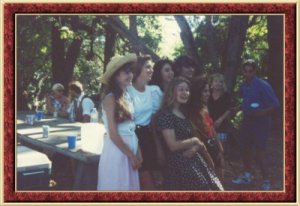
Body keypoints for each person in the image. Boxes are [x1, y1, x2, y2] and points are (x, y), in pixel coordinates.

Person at [156, 77, 223, 190]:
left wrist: (196, 146)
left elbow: (196, 137)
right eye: (181, 89)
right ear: (173, 91)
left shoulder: (184, 112)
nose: (185, 93)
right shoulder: (166, 114)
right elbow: (172, 145)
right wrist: (195, 141)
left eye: (187, 90)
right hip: (179, 163)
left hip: (194, 157)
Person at [232, 59, 280, 190]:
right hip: (248, 121)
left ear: (255, 71)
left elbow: (276, 104)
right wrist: (238, 108)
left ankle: (266, 180)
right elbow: (247, 102)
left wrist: (262, 112)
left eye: (250, 71)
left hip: (261, 122)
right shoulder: (244, 85)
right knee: (244, 147)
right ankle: (247, 175)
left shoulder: (263, 85)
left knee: (259, 152)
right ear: (243, 71)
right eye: (246, 71)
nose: (248, 73)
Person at [97, 53, 142, 191]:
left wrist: (138, 152)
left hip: (131, 148)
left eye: (131, 72)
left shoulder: (127, 96)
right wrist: (130, 154)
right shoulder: (110, 99)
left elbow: (131, 128)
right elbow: (113, 132)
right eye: (125, 72)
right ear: (116, 76)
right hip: (117, 151)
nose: (130, 75)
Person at [127, 54, 163, 190]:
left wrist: (158, 145)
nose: (151, 70)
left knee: (153, 179)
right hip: (132, 136)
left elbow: (155, 120)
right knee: (143, 179)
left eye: (152, 67)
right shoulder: (127, 91)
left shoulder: (154, 91)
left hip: (149, 136)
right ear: (138, 69)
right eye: (148, 67)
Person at [188, 76, 225, 182]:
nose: (208, 94)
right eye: (205, 91)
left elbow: (211, 126)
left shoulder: (204, 107)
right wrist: (207, 156)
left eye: (209, 91)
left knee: (220, 173)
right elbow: (196, 135)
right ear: (198, 92)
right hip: (203, 149)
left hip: (213, 145)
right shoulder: (192, 112)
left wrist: (219, 145)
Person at [208, 73, 237, 159]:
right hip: (208, 125)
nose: (217, 83)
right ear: (212, 83)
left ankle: (221, 167)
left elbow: (230, 108)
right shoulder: (207, 93)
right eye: (215, 81)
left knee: (221, 149)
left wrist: (221, 119)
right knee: (209, 147)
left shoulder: (226, 95)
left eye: (220, 82)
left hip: (222, 125)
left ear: (223, 84)